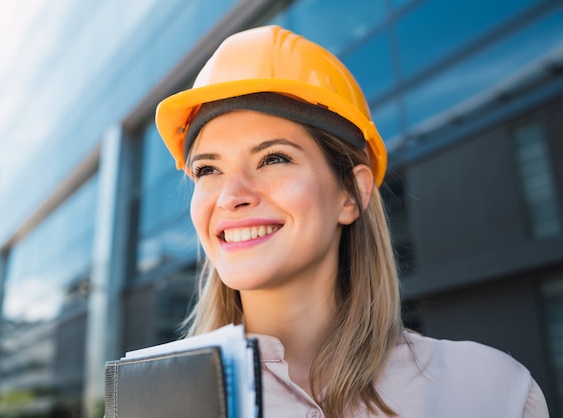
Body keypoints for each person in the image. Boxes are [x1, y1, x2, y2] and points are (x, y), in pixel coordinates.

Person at [155, 25, 549, 418]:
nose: (231, 196)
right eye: (207, 169)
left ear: (352, 194)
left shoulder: (491, 393)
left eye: (274, 159)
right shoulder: (156, 405)